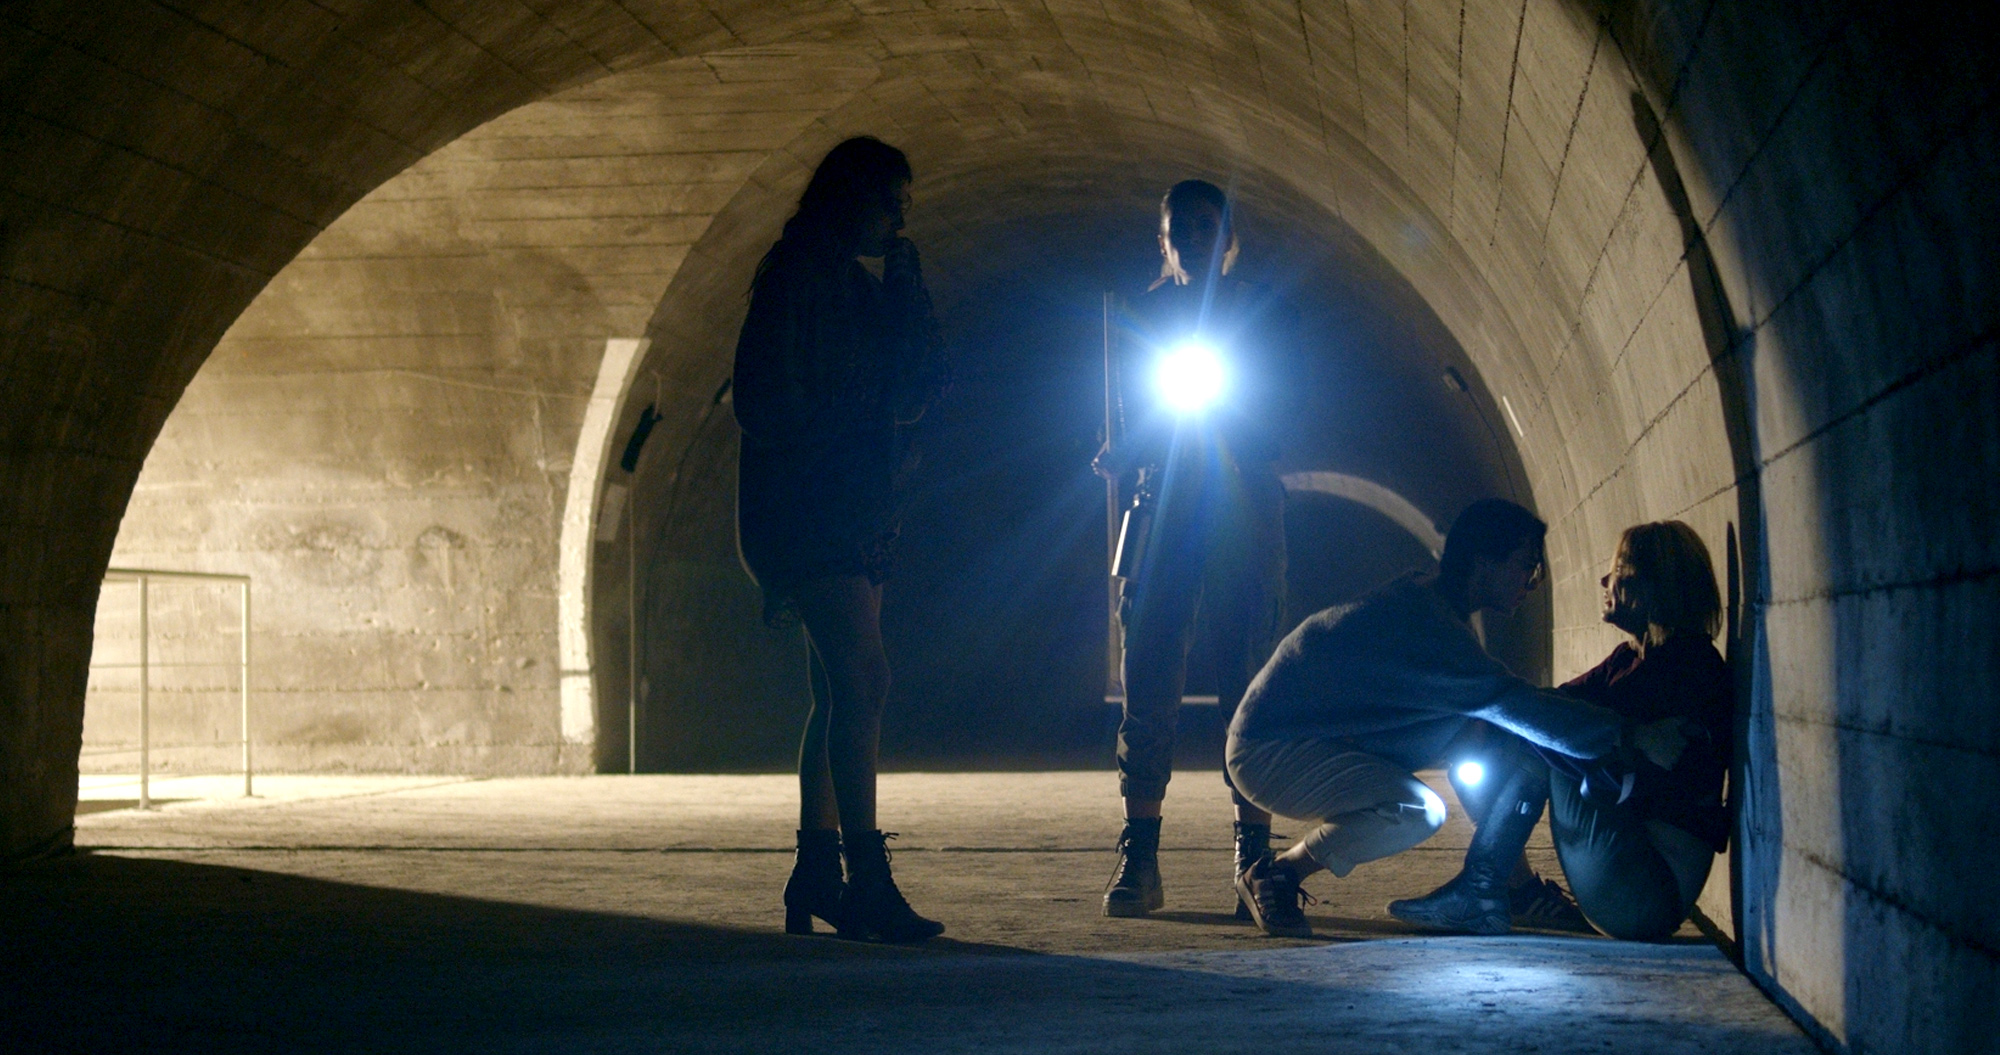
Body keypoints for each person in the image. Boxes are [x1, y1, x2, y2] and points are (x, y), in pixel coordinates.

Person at [1223, 499, 1624, 937]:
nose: (1533, 581)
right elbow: (1517, 703)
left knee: (1484, 730)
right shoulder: (1427, 625)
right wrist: (1626, 738)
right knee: (1419, 810)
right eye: (1526, 564)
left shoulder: (1428, 600)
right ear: (1483, 562)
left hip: (1312, 738)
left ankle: (1514, 885)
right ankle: (1277, 874)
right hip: (1269, 751)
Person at [732, 136, 949, 943]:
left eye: (904, 204)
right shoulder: (793, 278)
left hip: (859, 508)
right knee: (865, 680)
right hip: (810, 507)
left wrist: (907, 289)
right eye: (888, 200)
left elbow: (918, 388)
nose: (897, 218)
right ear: (847, 197)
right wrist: (836, 434)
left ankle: (817, 873)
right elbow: (762, 400)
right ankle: (866, 878)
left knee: (838, 691)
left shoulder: (864, 287)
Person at [1094, 180, 1303, 918]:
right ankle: (1140, 852)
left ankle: (1254, 855)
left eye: (1205, 225)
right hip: (1166, 511)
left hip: (1244, 506)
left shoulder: (1263, 311)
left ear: (1227, 238)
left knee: (1248, 680)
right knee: (1149, 678)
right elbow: (1133, 422)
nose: (1192, 237)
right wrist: (1124, 451)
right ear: (1164, 240)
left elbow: (1282, 413)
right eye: (1179, 227)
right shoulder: (1142, 315)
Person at [1388, 520, 1732, 940]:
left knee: (1548, 738)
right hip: (1616, 867)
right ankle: (1512, 889)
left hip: (1647, 893)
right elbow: (1548, 703)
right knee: (1510, 731)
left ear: (1650, 583)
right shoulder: (1628, 659)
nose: (1604, 581)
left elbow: (1668, 783)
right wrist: (1483, 719)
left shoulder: (1690, 668)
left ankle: (1481, 887)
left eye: (1617, 571)